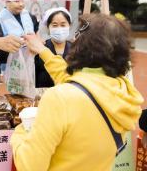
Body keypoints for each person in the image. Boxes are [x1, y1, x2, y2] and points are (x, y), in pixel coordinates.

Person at [11, 13, 143, 171]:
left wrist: (19, 133)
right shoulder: (124, 92)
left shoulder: (59, 98)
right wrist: (42, 50)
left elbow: (30, 165)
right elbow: (72, 79)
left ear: (80, 47)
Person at [36, 7, 72, 87]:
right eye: (55, 25)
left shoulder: (75, 49)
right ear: (48, 28)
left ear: (69, 25)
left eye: (63, 25)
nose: (59, 28)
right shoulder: (41, 48)